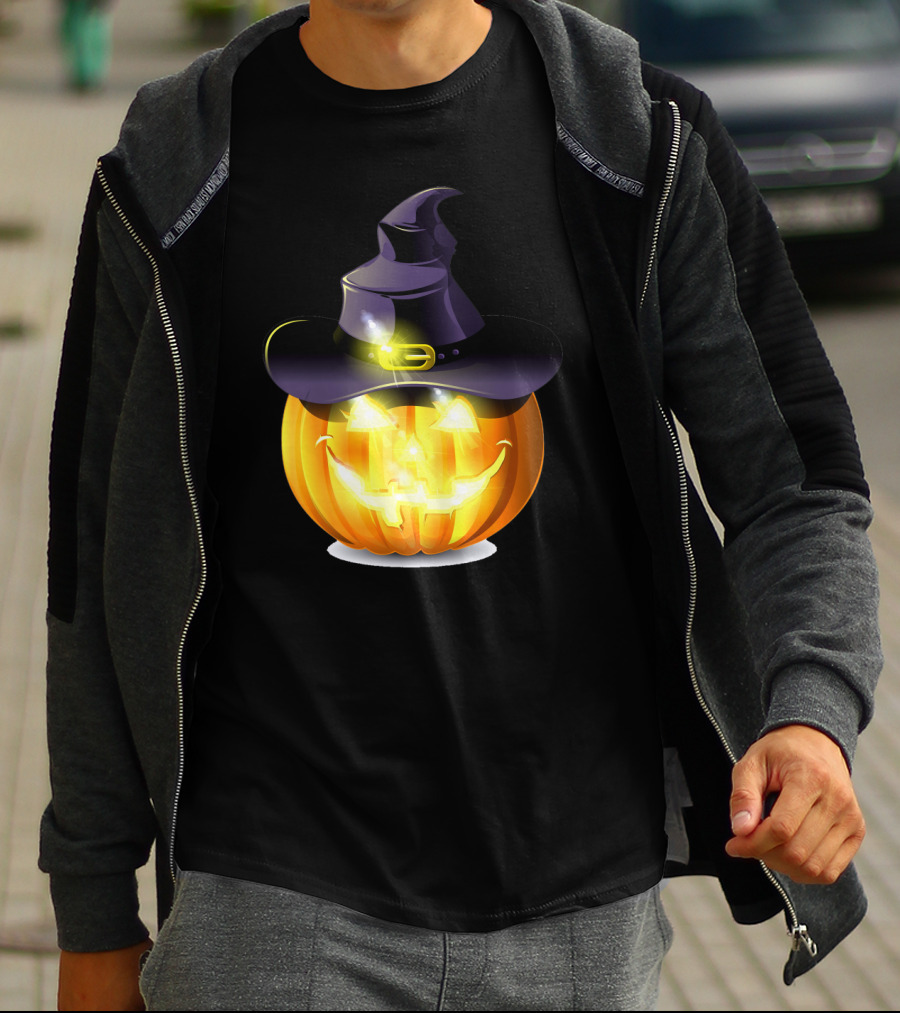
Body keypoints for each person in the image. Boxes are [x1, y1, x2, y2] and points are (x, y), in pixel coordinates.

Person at [41, 0, 881, 1010]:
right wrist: (93, 908)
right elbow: (90, 555)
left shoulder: (635, 139)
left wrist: (813, 715)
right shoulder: (176, 166)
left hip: (582, 892)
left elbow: (796, 479)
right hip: (269, 889)